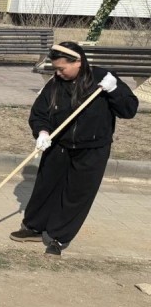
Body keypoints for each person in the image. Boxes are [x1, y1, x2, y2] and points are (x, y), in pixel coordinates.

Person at [9, 42, 138, 256]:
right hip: (59, 145)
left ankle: (58, 238)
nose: (58, 73)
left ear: (78, 61)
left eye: (62, 68)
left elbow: (129, 110)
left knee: (76, 194)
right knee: (46, 187)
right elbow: (40, 112)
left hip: (93, 149)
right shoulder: (56, 84)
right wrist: (41, 132)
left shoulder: (103, 79)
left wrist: (115, 90)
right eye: (55, 69)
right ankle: (34, 227)